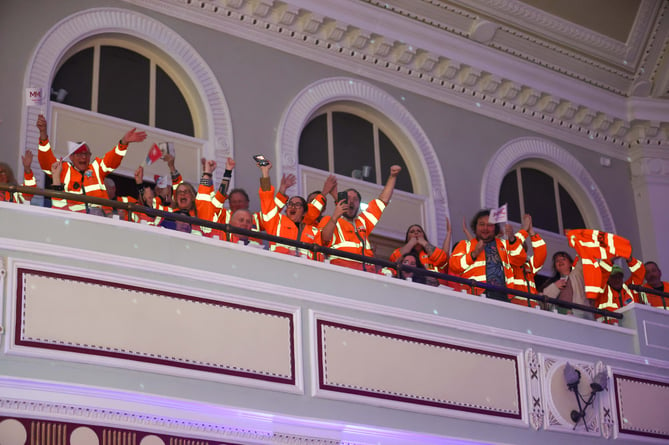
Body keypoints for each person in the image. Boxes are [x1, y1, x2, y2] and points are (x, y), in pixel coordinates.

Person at [36, 114, 147, 215]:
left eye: (86, 154)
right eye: (79, 154)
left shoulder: (96, 168)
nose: (84, 157)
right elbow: (46, 162)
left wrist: (123, 142)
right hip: (76, 220)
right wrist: (43, 134)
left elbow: (113, 159)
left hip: (101, 219)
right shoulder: (63, 170)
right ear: (71, 157)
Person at [321, 165, 402, 272]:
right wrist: (335, 216)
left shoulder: (363, 221)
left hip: (367, 273)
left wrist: (392, 176)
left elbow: (383, 200)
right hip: (342, 272)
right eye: (348, 198)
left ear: (359, 205)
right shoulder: (329, 220)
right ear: (342, 201)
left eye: (355, 199)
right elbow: (324, 239)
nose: (351, 201)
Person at [256, 158, 335, 258]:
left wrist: (324, 192)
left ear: (304, 212)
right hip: (280, 267)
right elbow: (266, 198)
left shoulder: (314, 231)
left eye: (297, 205)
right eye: (290, 204)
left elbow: (318, 256)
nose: (293, 206)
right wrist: (265, 172)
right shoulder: (276, 222)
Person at [449, 209, 526, 302]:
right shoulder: (465, 244)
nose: (485, 228)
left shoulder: (505, 244)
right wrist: (474, 254)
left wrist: (512, 239)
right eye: (481, 224)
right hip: (475, 297)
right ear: (475, 227)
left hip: (503, 297)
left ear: (495, 228)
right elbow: (454, 265)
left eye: (489, 225)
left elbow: (520, 260)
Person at [541, 251, 593, 320]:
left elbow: (584, 257)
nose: (560, 261)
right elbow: (544, 301)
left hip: (579, 316)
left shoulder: (578, 275)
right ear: (555, 267)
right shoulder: (552, 282)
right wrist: (555, 286)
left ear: (571, 263)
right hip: (558, 317)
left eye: (563, 259)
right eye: (557, 261)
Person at [508, 214, 546, 307]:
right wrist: (524, 230)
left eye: (523, 249)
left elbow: (541, 254)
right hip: (514, 308)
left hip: (532, 309)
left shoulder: (529, 266)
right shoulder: (508, 263)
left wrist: (531, 232)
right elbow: (514, 250)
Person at [595, 256, 645, 324]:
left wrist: (628, 258)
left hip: (633, 328)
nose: (617, 280)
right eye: (614, 277)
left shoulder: (629, 289)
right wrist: (611, 259)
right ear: (608, 279)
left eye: (619, 277)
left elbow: (640, 271)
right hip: (610, 330)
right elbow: (600, 274)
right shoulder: (602, 292)